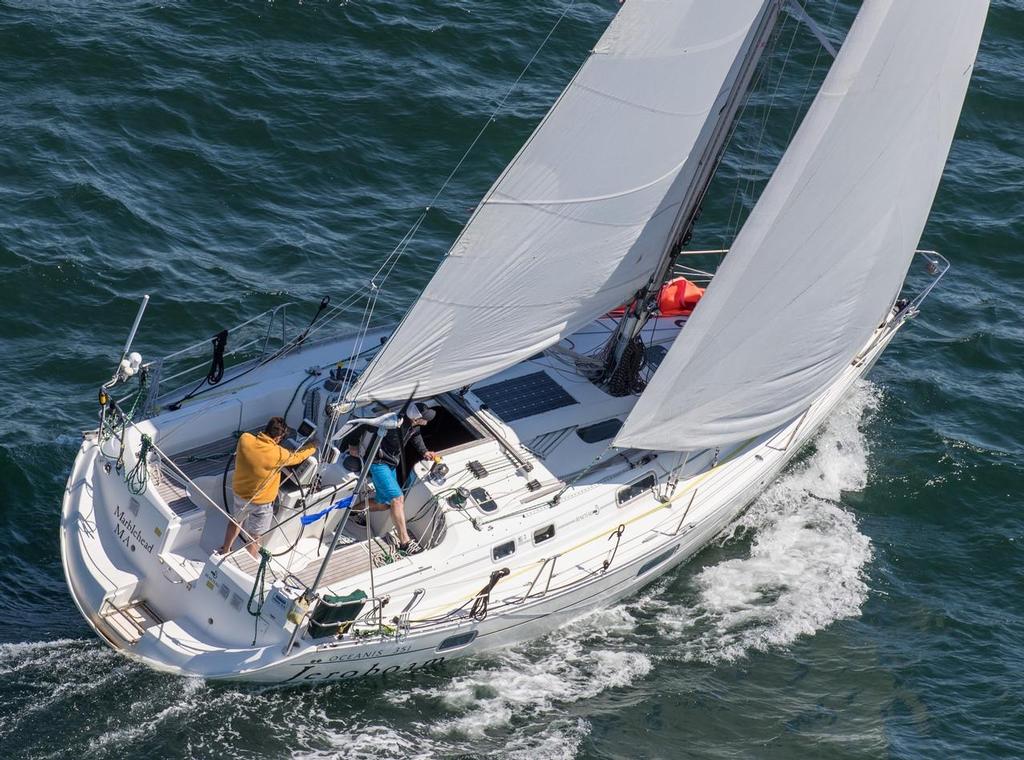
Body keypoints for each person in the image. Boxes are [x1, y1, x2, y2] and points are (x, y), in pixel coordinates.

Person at [343, 402, 437, 555]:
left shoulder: (414, 427)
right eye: (424, 418)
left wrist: (424, 452)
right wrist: (352, 444)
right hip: (377, 462)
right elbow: (362, 426)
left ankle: (351, 512)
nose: (427, 420)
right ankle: (405, 543)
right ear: (415, 418)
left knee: (385, 504)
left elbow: (416, 437)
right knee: (397, 499)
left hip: (391, 463)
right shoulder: (393, 423)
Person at [218, 416, 316, 558]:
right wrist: (313, 446)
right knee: (254, 536)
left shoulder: (245, 439)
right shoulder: (279, 454)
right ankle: (251, 561)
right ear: (278, 438)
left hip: (240, 494)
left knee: (236, 522)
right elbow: (298, 457)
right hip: (261, 504)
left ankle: (225, 549)